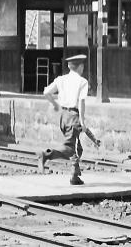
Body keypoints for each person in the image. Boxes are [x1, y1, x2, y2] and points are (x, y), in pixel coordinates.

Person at [37, 53, 89, 186]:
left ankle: (75, 175)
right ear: (81, 66)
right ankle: (46, 155)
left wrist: (55, 105)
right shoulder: (82, 82)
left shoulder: (61, 79)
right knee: (69, 147)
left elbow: (46, 92)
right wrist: (82, 122)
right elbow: (81, 102)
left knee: (74, 146)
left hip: (63, 116)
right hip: (73, 115)